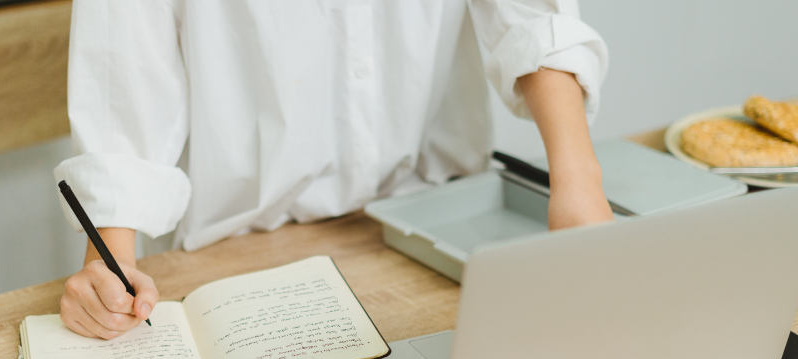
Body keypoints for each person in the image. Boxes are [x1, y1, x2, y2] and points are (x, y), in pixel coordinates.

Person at [54, 0, 612, 340]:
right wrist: (110, 262)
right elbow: (123, 71)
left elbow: (531, 19)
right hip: (249, 255)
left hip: (434, 222)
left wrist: (579, 184)